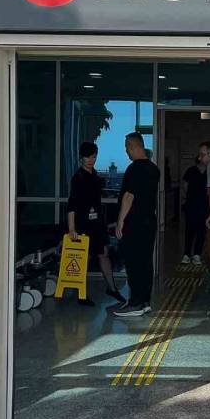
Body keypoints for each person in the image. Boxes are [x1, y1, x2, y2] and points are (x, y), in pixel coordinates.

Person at [67, 142, 126, 306]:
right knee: (84, 257)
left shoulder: (96, 177)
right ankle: (81, 294)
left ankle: (112, 288)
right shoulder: (78, 178)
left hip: (97, 223)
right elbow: (72, 204)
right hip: (83, 223)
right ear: (81, 158)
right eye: (87, 157)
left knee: (103, 254)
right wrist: (72, 228)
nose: (90, 160)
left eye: (93, 157)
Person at [114, 133, 160, 317]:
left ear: (134, 146)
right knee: (145, 261)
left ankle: (136, 303)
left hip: (135, 222)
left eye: (127, 148)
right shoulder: (154, 169)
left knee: (133, 262)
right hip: (149, 221)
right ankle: (145, 301)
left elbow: (129, 196)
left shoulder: (134, 169)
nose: (126, 151)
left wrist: (120, 221)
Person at [181, 157, 208, 265]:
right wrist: (188, 196)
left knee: (202, 231)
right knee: (189, 230)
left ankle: (197, 254)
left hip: (205, 205)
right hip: (191, 204)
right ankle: (186, 254)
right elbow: (185, 186)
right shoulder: (191, 170)